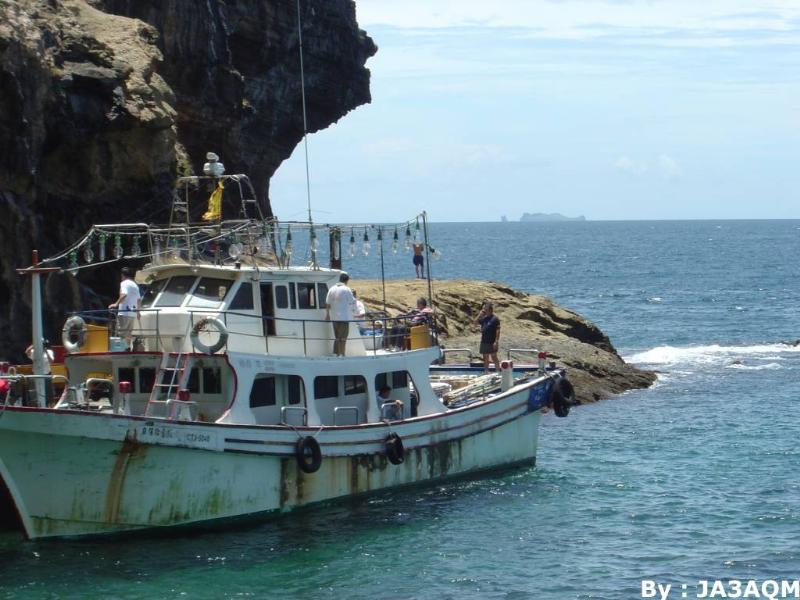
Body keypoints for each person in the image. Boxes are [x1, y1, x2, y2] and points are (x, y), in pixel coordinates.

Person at [109, 267, 142, 351]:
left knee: (121, 332)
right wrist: (138, 312)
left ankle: (123, 350)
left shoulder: (124, 283)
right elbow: (139, 300)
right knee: (128, 333)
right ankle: (128, 348)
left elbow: (124, 294)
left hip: (124, 312)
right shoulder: (135, 285)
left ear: (122, 275)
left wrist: (116, 304)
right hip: (132, 313)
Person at [325, 272, 356, 356]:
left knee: (337, 337)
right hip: (343, 318)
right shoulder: (346, 289)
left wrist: (327, 315)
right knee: (343, 338)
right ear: (346, 281)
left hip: (334, 318)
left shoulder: (332, 289)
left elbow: (327, 303)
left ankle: (336, 354)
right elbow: (352, 301)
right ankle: (342, 354)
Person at [474, 301, 500, 372]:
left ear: (490, 310)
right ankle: (486, 371)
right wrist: (479, 314)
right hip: (484, 341)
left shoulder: (495, 319)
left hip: (492, 341)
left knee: (494, 357)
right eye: (484, 309)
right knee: (485, 358)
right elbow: (475, 323)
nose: (484, 311)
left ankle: (498, 371)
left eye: (485, 309)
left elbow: (498, 330)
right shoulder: (484, 318)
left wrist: (496, 341)